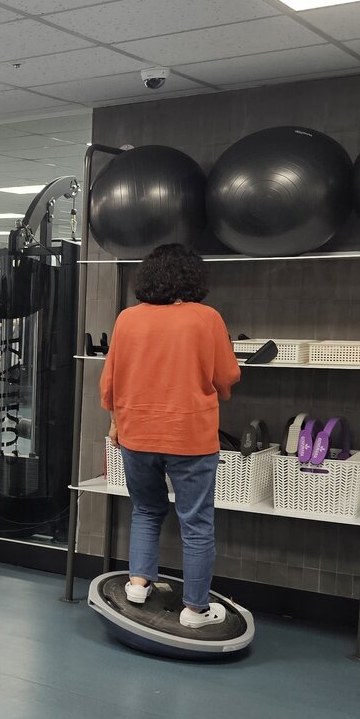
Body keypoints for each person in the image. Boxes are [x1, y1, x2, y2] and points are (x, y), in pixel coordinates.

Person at [100, 243, 240, 626]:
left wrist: (115, 422)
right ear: (193, 278)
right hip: (189, 437)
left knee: (146, 510)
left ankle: (137, 584)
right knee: (196, 523)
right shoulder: (206, 318)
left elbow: (109, 383)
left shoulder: (127, 319)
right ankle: (195, 610)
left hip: (136, 435)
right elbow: (227, 377)